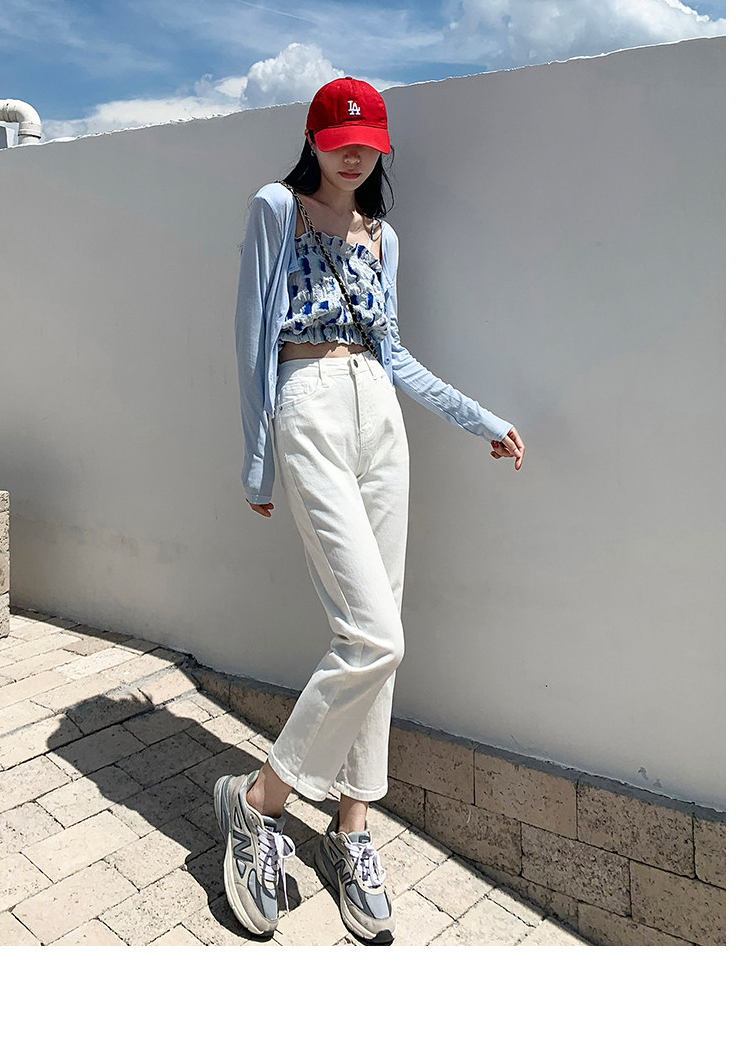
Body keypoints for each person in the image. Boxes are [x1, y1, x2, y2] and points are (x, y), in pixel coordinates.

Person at [214, 76, 524, 945]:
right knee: (373, 634)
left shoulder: (384, 238)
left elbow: (396, 355)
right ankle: (258, 801)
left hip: (380, 418)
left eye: (369, 141)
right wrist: (256, 457)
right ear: (314, 139)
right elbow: (250, 337)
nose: (354, 152)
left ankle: (351, 827)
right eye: (339, 137)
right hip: (307, 400)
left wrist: (479, 417)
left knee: (384, 628)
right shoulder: (277, 209)